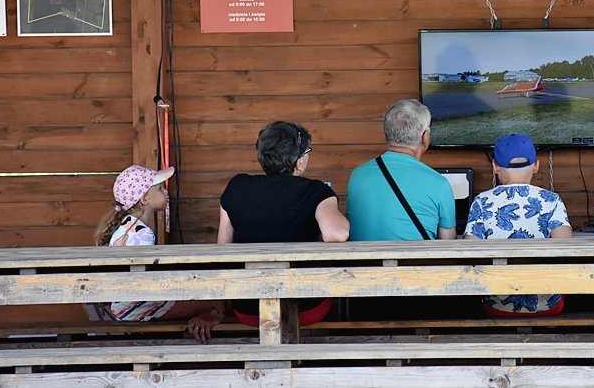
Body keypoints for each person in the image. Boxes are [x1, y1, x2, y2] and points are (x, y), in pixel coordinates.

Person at [187, 121, 349, 341]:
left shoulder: (237, 186)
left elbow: (223, 250)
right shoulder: (316, 191)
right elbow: (336, 234)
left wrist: (218, 309)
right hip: (306, 306)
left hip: (248, 308)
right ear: (299, 161)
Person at [94, 164, 223, 341]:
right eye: (160, 189)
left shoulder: (126, 227)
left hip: (123, 305)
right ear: (145, 199)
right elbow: (146, 282)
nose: (165, 192)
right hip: (136, 307)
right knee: (213, 301)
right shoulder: (142, 234)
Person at [463, 133, 573, 316]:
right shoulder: (551, 200)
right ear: (536, 165)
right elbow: (566, 247)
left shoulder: (482, 201)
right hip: (547, 304)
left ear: (495, 166)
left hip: (497, 304)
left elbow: (469, 252)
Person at [346, 99, 457, 241]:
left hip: (364, 256)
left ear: (386, 133)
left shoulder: (357, 175)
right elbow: (448, 241)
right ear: (425, 137)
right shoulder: (439, 184)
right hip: (415, 256)